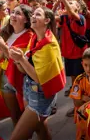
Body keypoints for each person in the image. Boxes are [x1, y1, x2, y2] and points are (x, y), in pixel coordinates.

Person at [8, 7, 66, 140]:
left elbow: (40, 79)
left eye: (37, 14)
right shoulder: (34, 38)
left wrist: (21, 59)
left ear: (46, 20)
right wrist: (18, 61)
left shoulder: (49, 45)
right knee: (41, 131)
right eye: (33, 14)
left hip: (40, 96)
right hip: (29, 90)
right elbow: (24, 69)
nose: (33, 16)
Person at [0, 5, 34, 125]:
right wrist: (0, 50)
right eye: (13, 12)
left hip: (20, 79)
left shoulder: (30, 36)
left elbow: (21, 64)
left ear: (26, 19)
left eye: (18, 13)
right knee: (15, 116)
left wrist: (3, 47)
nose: (13, 15)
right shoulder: (6, 33)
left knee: (28, 119)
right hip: (5, 78)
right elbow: (1, 58)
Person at [69, 48, 90, 140]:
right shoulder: (79, 80)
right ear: (82, 64)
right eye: (86, 65)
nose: (89, 69)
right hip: (82, 119)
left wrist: (82, 97)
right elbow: (76, 103)